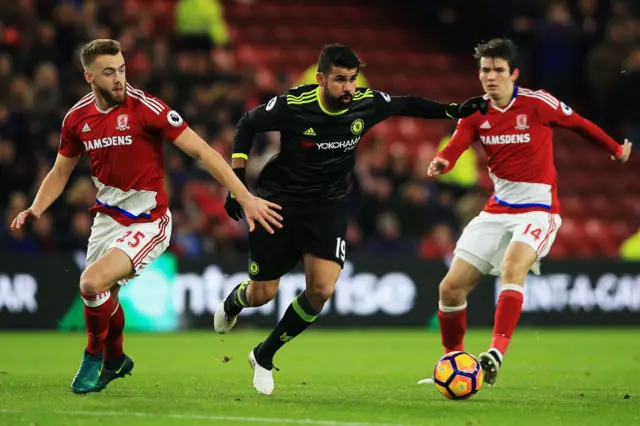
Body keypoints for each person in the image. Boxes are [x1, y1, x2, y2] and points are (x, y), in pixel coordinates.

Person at [9, 39, 283, 395]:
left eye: (122, 69)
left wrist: (244, 196)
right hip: (106, 219)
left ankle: (93, 356)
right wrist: (37, 207)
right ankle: (116, 358)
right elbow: (61, 171)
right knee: (103, 295)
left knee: (91, 284)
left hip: (148, 219)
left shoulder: (146, 108)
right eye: (109, 72)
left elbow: (202, 151)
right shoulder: (77, 118)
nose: (119, 78)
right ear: (89, 76)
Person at [215, 43, 489, 395]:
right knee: (262, 294)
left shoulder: (365, 103)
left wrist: (453, 110)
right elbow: (247, 125)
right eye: (340, 79)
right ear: (320, 79)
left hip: (327, 208)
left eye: (352, 79)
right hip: (278, 206)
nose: (348, 87)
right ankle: (236, 300)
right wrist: (238, 184)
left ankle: (264, 355)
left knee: (322, 289)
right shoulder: (294, 105)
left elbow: (406, 103)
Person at [424, 38, 631, 386]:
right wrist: (443, 160)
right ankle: (453, 361)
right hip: (497, 207)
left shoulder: (537, 103)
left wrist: (614, 149)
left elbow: (578, 123)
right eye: (485, 70)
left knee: (511, 267)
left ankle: (495, 353)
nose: (491, 77)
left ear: (513, 73)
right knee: (450, 289)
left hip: (538, 208)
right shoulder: (476, 110)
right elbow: (458, 143)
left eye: (498, 70)